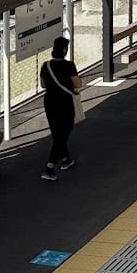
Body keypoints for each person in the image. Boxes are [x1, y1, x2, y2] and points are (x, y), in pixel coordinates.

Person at [40, 36, 83, 182]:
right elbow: (78, 84)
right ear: (64, 49)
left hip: (49, 102)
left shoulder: (46, 65)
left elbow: (43, 85)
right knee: (62, 134)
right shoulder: (69, 65)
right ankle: (49, 167)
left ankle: (66, 159)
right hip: (65, 103)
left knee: (56, 132)